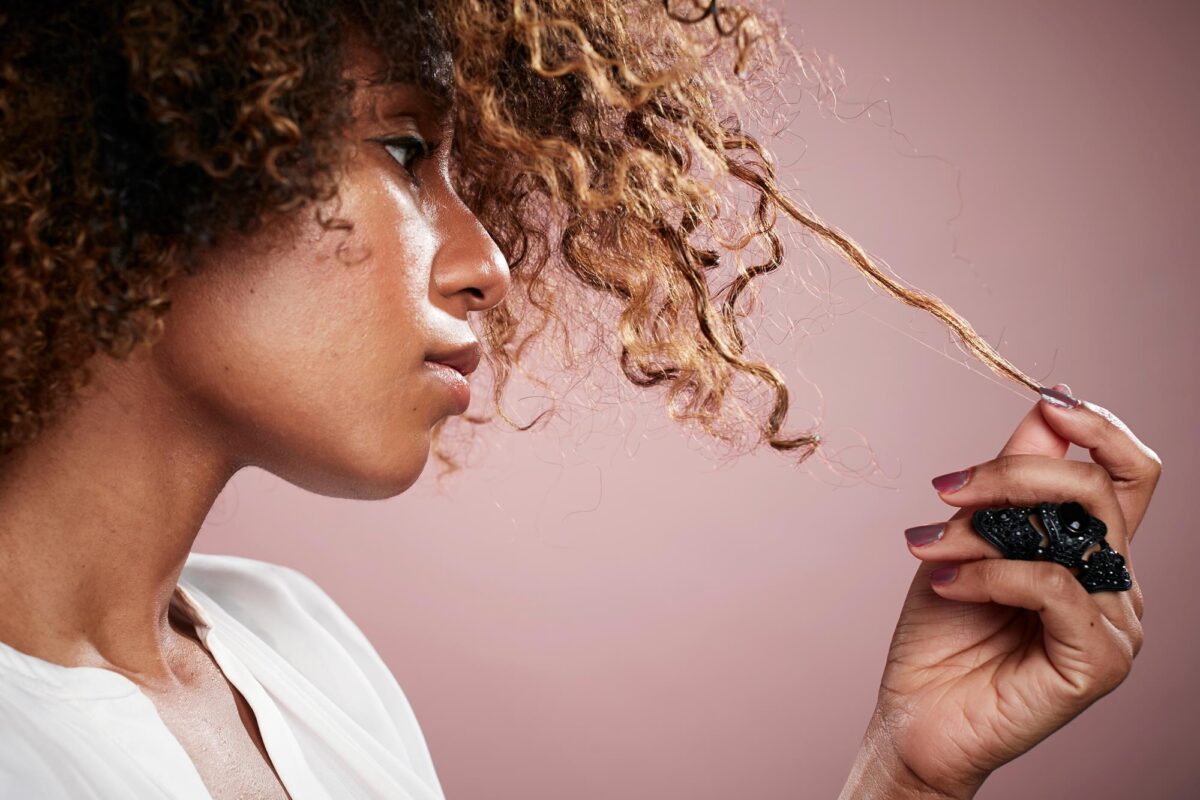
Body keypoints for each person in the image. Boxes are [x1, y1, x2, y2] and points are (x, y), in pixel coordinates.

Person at [0, 2, 1161, 798]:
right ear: (150, 152)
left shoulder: (301, 651)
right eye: (405, 150)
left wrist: (906, 772)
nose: (489, 262)